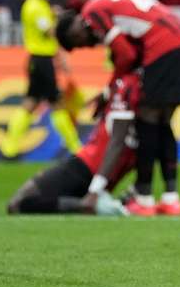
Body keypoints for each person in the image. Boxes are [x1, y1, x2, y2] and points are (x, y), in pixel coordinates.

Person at [55, 0, 180, 216]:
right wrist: (108, 90)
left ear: (74, 29)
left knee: (146, 118)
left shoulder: (91, 14)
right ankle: (170, 198)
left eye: (78, 43)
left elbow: (126, 55)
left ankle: (144, 198)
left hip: (164, 47)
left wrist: (111, 88)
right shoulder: (103, 2)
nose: (87, 45)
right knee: (163, 122)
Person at [7, 72, 141, 216]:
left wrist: (95, 190)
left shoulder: (129, 85)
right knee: (20, 203)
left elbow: (117, 142)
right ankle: (98, 204)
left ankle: (91, 204)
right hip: (99, 171)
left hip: (87, 166)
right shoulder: (143, 88)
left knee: (18, 203)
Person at [3, 0, 80, 159]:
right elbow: (49, 31)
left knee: (31, 102)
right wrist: (60, 21)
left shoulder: (40, 5)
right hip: (42, 60)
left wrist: (53, 14)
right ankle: (76, 148)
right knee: (57, 102)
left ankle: (9, 149)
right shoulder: (34, 7)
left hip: (38, 60)